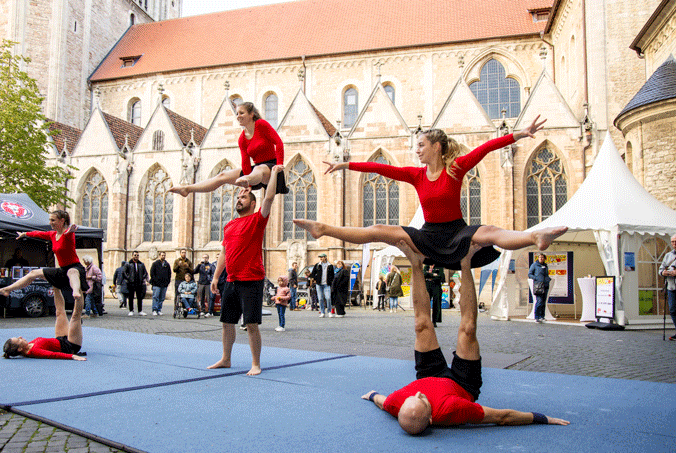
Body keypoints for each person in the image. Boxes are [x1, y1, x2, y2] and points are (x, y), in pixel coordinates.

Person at [293, 116, 567, 271]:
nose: (417, 149)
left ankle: (535, 235)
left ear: (436, 147)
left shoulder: (456, 168)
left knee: (490, 231)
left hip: (456, 232)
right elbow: (381, 168)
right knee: (378, 228)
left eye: (421, 145)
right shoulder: (416, 175)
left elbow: (485, 149)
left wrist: (518, 135)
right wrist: (346, 164)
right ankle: (322, 228)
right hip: (428, 234)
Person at [361, 240, 569, 434]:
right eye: (422, 399)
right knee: (468, 328)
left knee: (422, 325)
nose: (417, 394)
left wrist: (371, 395)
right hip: (462, 384)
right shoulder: (453, 410)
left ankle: (415, 263)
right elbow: (502, 417)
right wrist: (542, 418)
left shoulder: (397, 403)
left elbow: (382, 400)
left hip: (429, 374)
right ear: (431, 419)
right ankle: (466, 261)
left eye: (411, 398)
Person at [208, 165, 282, 376]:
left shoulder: (258, 219)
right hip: (231, 280)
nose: (239, 199)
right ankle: (226, 359)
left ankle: (256, 364)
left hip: (252, 279)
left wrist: (274, 174)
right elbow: (224, 252)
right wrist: (215, 277)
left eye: (244, 197)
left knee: (251, 324)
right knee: (226, 323)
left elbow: (268, 199)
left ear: (252, 203)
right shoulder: (229, 226)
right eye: (238, 197)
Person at [168, 102, 288, 197]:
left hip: (272, 167)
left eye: (241, 113)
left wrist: (279, 164)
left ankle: (247, 179)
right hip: (254, 172)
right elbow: (245, 162)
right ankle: (187, 189)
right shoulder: (242, 139)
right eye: (237, 113)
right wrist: (248, 184)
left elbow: (278, 142)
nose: (238, 116)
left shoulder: (261, 125)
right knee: (222, 176)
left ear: (251, 114)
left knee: (259, 168)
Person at [0, 211, 87, 312]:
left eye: (53, 220)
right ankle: (7, 290)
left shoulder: (69, 234)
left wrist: (70, 230)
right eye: (50, 220)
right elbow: (39, 234)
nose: (50, 222)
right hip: (62, 270)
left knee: (72, 272)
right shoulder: (52, 234)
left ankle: (75, 291)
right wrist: (24, 234)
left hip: (75, 267)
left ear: (62, 221)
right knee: (33, 273)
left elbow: (68, 234)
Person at [2, 287, 86, 361]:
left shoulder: (28, 345)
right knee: (75, 317)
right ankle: (79, 287)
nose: (20, 337)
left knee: (59, 312)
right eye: (18, 339)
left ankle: (55, 284)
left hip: (60, 340)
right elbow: (53, 355)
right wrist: (72, 356)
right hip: (70, 346)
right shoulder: (34, 351)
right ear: (20, 349)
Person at [659, 233, 676, 340]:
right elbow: (660, 270)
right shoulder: (668, 255)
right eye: (673, 242)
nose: (674, 244)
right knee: (673, 310)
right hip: (671, 287)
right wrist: (664, 273)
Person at [528, 253, 551, 323]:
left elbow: (546, 274)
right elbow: (529, 274)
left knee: (543, 302)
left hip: (545, 285)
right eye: (540, 257)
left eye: (542, 257)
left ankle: (542, 316)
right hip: (538, 285)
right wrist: (536, 278)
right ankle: (536, 317)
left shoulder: (545, 266)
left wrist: (548, 279)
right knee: (539, 301)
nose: (541, 259)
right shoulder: (534, 265)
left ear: (544, 259)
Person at [124, 251, 148, 316]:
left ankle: (140, 310)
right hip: (131, 283)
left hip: (139, 283)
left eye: (137, 255)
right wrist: (128, 278)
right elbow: (124, 273)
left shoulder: (141, 264)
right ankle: (131, 310)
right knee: (131, 297)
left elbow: (145, 273)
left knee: (139, 297)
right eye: (135, 255)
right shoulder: (128, 264)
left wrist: (143, 278)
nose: (136, 256)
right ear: (132, 256)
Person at [312, 253, 335, 317]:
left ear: (325, 257)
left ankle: (329, 311)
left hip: (326, 284)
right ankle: (322, 312)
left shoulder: (330, 266)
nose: (321, 258)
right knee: (320, 298)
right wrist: (315, 279)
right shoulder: (317, 265)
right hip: (319, 284)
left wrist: (330, 282)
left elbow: (332, 275)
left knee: (328, 298)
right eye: (320, 257)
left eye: (322, 257)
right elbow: (313, 273)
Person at [150, 251, 171, 316]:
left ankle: (159, 309)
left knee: (162, 298)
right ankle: (154, 309)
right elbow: (152, 273)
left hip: (164, 284)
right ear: (159, 256)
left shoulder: (167, 264)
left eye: (164, 255)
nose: (163, 256)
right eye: (162, 255)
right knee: (156, 297)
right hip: (156, 284)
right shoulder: (155, 264)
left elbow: (169, 274)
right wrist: (155, 281)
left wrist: (167, 282)